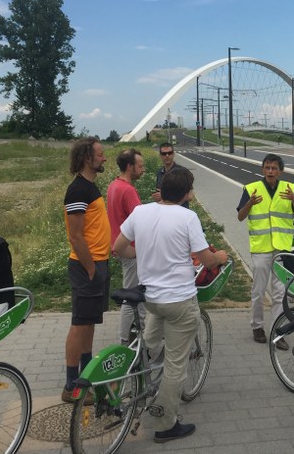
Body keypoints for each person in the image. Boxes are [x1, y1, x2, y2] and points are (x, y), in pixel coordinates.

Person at [113, 168, 228, 443]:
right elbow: (206, 259)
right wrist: (221, 256)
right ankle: (166, 424)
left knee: (148, 344)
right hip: (179, 301)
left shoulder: (140, 212)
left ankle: (127, 383)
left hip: (151, 299)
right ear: (187, 193)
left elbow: (118, 247)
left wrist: (143, 252)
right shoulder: (187, 217)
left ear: (162, 189)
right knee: (176, 364)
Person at [62, 136, 110, 404]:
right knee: (80, 323)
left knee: (89, 321)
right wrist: (91, 267)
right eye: (100, 154)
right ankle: (71, 385)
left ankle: (86, 374)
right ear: (86, 158)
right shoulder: (78, 190)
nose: (104, 158)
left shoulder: (90, 187)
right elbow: (76, 236)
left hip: (97, 263)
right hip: (86, 267)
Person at [237, 154, 294, 344]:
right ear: (262, 169)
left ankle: (277, 331)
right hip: (261, 248)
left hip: (281, 248)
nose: (270, 171)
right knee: (258, 291)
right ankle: (257, 326)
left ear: (280, 171)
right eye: (267, 168)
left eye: (274, 168)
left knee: (280, 292)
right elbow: (240, 216)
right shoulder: (252, 189)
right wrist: (250, 203)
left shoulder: (289, 189)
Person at [107, 148, 145, 345]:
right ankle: (124, 340)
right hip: (131, 249)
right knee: (131, 296)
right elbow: (140, 221)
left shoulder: (114, 185)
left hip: (118, 245)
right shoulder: (128, 190)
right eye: (140, 166)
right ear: (130, 167)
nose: (143, 169)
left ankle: (137, 334)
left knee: (135, 293)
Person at [152, 143, 189, 207]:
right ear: (160, 155)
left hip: (180, 213)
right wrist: (156, 197)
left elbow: (190, 196)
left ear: (173, 154)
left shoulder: (182, 172)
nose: (167, 156)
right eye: (164, 154)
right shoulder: (159, 172)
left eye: (170, 153)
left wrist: (165, 196)